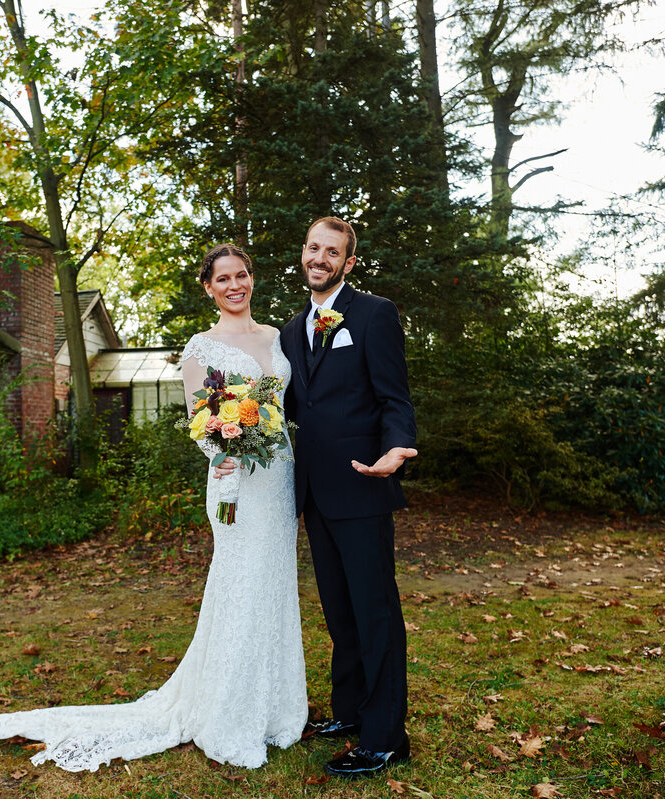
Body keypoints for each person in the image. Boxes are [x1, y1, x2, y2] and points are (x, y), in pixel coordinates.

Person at [0, 243, 307, 772]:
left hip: (278, 478)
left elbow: (289, 404)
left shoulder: (278, 338)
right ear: (208, 288)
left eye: (243, 275)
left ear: (253, 278)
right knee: (240, 584)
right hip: (234, 480)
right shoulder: (201, 348)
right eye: (223, 278)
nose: (235, 285)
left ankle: (274, 709)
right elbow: (198, 420)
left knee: (274, 584)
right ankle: (228, 712)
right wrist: (224, 450)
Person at [221, 216, 416, 778]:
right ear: (302, 254)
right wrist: (234, 430)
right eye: (313, 247)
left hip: (363, 483)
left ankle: (384, 736)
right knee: (339, 610)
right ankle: (351, 711)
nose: (320, 257)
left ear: (348, 263)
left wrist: (398, 448)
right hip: (309, 490)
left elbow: (394, 397)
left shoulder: (374, 314)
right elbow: (289, 409)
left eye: (332, 251)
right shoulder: (288, 329)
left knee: (375, 612)